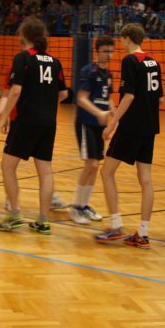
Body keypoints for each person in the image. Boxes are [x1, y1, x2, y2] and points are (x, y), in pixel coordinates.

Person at [0, 18, 67, 234]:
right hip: (48, 122)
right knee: (45, 172)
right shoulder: (55, 61)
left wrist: (4, 117)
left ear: (24, 36)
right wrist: (45, 103)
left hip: (26, 120)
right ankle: (43, 220)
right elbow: (63, 94)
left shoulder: (23, 58)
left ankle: (15, 214)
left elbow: (15, 91)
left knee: (8, 166)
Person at [93, 23, 163, 248]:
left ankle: (116, 226)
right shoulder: (153, 62)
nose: (120, 43)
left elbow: (129, 96)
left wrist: (112, 124)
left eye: (121, 39)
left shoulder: (130, 61)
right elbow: (160, 98)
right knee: (146, 179)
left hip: (132, 126)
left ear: (127, 38)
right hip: (150, 126)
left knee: (106, 172)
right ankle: (143, 233)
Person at [69, 36, 115, 224]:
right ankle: (75, 207)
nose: (109, 55)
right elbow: (81, 99)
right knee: (91, 165)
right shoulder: (89, 71)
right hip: (86, 122)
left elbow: (108, 98)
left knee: (95, 167)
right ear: (97, 51)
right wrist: (98, 112)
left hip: (99, 125)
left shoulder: (108, 74)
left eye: (111, 51)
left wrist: (115, 116)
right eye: (105, 51)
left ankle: (84, 205)